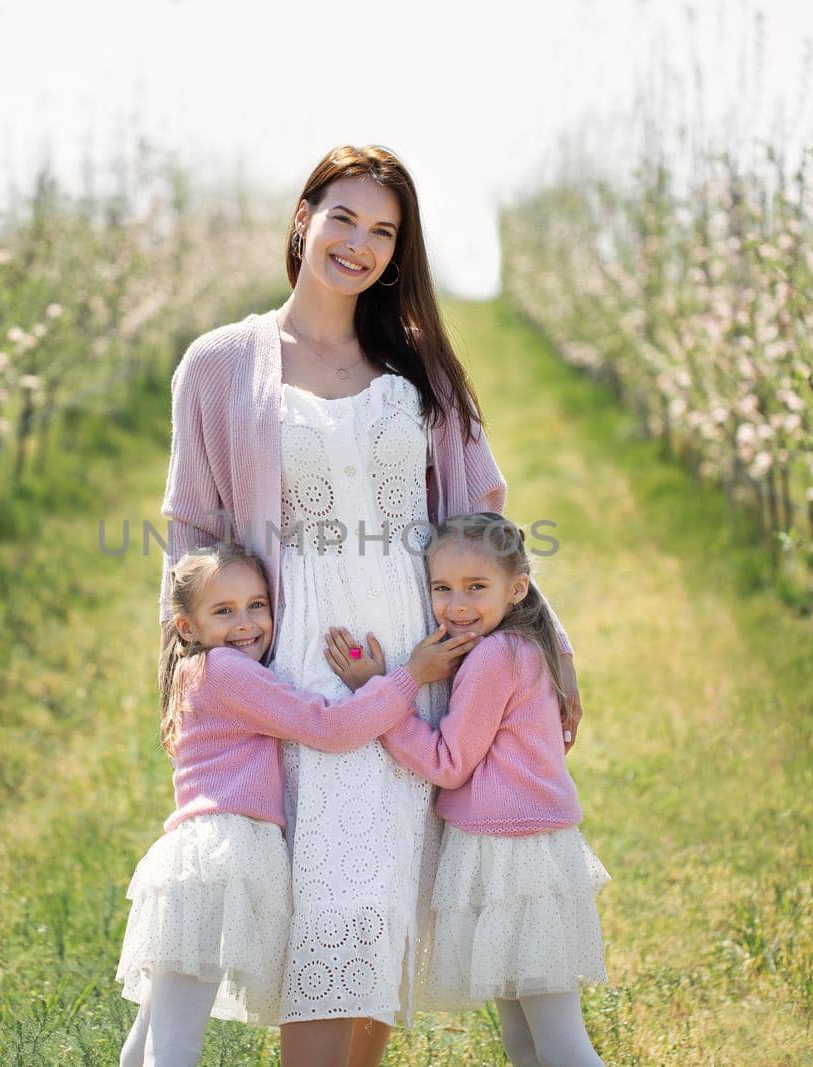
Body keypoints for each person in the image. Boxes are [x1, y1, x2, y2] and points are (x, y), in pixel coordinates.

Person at [157, 143, 583, 1066]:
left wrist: (548, 642)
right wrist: (190, 675)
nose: (360, 243)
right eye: (344, 216)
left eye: (385, 231)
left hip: (420, 658)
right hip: (303, 662)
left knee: (384, 901)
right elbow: (192, 528)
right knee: (329, 902)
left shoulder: (420, 366)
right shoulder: (223, 364)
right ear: (303, 216)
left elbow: (481, 519)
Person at [118, 543, 477, 1067]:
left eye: (257, 605)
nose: (246, 624)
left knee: (155, 1033)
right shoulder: (225, 670)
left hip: (200, 860)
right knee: (173, 1046)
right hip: (224, 857)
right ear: (186, 626)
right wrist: (408, 678)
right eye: (224, 611)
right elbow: (328, 727)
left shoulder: (198, 672)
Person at [329, 513, 609, 1067]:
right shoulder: (522, 645)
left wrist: (380, 694)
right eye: (442, 588)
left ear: (518, 588)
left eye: (476, 587)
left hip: (514, 858)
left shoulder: (494, 657)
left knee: (559, 1043)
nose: (457, 604)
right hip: (515, 849)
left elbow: (448, 762)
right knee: (526, 1041)